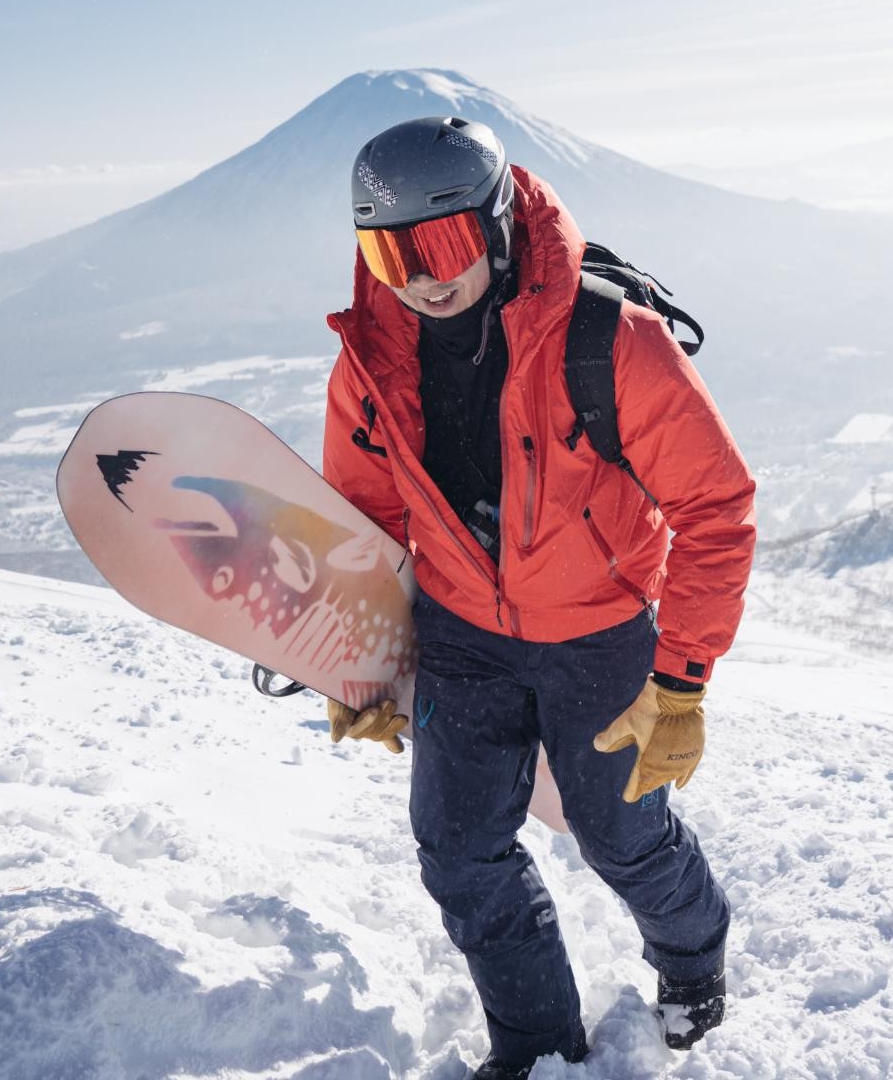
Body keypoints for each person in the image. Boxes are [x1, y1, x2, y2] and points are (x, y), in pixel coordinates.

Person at [319, 115, 757, 1079]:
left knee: (621, 831)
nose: (424, 276)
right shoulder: (370, 366)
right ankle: (533, 1042)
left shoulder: (611, 341)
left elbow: (717, 507)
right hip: (459, 632)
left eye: (442, 242)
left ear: (502, 221)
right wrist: (361, 664)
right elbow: (365, 520)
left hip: (596, 632)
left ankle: (693, 961)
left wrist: (680, 680)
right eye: (389, 253)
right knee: (457, 848)